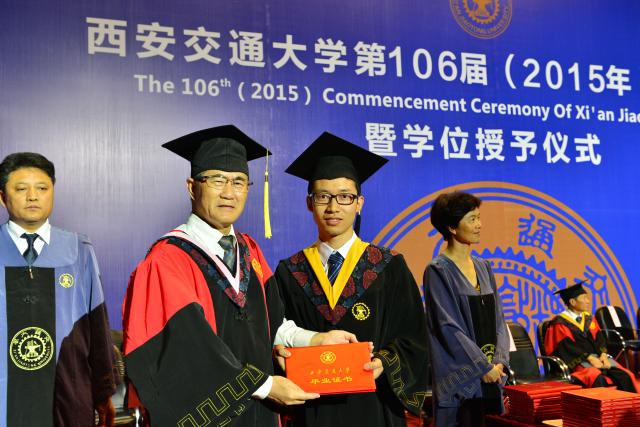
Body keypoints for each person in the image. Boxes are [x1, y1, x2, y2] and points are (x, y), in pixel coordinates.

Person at [122, 125, 357, 427]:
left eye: (239, 182)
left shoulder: (250, 251)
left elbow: (273, 325)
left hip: (260, 413)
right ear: (192, 187)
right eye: (217, 180)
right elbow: (188, 348)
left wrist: (316, 339)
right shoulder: (167, 260)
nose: (229, 193)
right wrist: (266, 386)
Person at [274, 132, 429, 427]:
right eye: (323, 196)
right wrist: (278, 353)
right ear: (309, 203)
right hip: (312, 409)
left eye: (345, 197)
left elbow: (414, 338)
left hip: (375, 407)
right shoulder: (290, 271)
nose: (333, 207)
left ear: (359, 203)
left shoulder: (388, 266)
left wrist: (384, 362)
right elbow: (273, 331)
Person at [0, 152, 116, 426]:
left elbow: (97, 326)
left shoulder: (79, 250)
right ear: (3, 197)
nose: (33, 196)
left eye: (42, 188)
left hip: (66, 393)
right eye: (21, 189)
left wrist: (102, 391)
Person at [423, 191, 509, 427]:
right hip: (460, 379)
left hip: (492, 375)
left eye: (479, 218)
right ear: (451, 227)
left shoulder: (484, 266)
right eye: (472, 219)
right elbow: (447, 327)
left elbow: (499, 319)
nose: (479, 225)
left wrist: (499, 362)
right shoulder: (438, 270)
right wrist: (482, 367)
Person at [544, 281, 639, 392]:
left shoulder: (589, 318)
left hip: (597, 358)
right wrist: (589, 358)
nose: (588, 301)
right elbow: (567, 348)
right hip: (576, 362)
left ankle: (630, 403)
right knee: (597, 377)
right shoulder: (560, 323)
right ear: (572, 302)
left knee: (625, 375)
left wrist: (603, 355)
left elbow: (599, 338)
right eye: (584, 298)